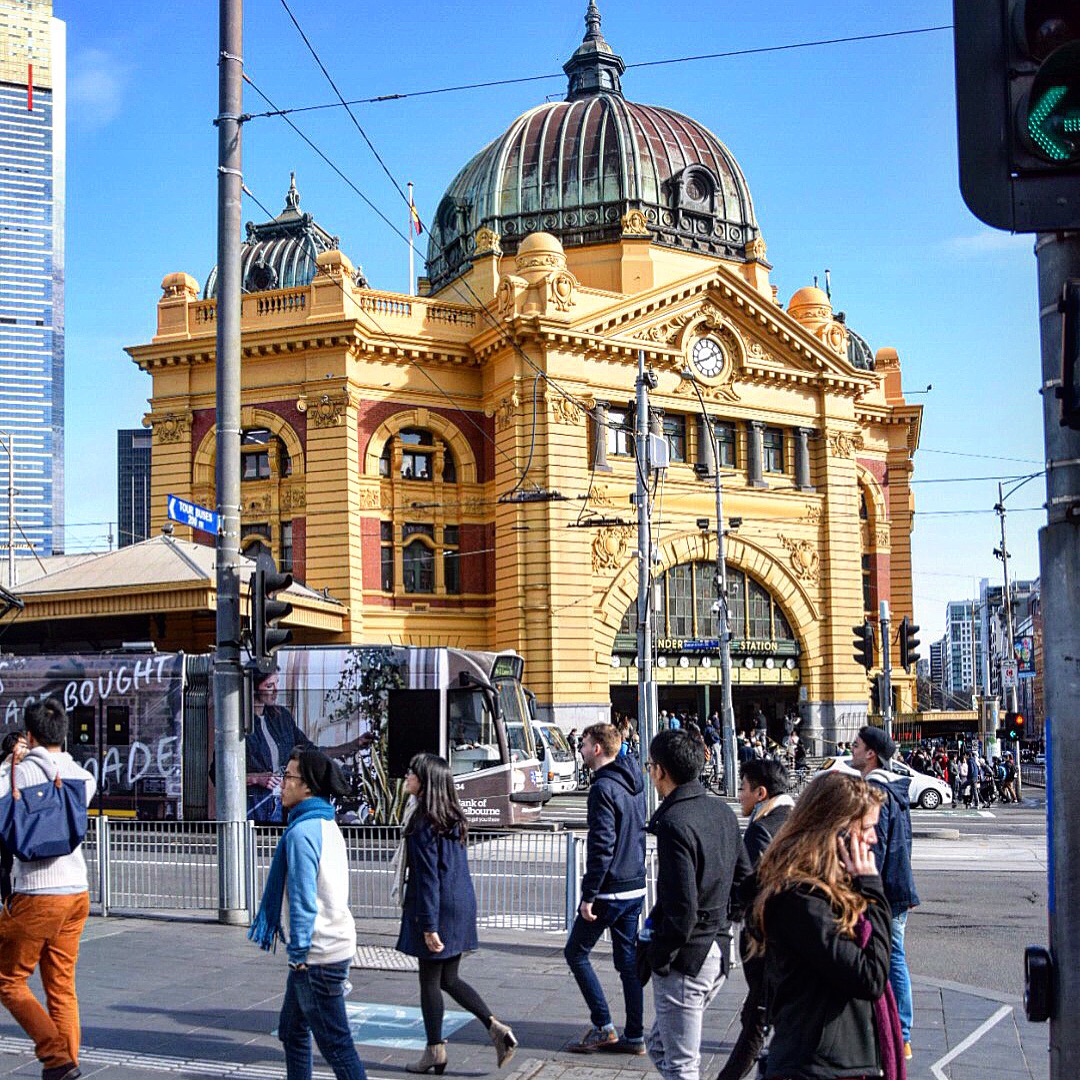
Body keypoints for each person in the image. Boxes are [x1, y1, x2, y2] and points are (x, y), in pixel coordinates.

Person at [751, 772, 901, 1080]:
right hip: (817, 1065)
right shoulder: (801, 899)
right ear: (838, 831)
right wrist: (873, 893)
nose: (873, 838)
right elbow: (870, 976)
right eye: (867, 828)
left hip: (841, 1061)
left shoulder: (835, 890)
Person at [639, 729, 750, 1080]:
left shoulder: (675, 823)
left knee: (682, 1066)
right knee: (660, 1046)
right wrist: (724, 921)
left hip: (688, 956)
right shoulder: (721, 810)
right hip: (718, 947)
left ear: (661, 771)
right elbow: (745, 879)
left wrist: (660, 954)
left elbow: (681, 906)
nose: (650, 773)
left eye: (650, 766)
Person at [396, 753, 517, 1074]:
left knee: (429, 981)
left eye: (412, 772)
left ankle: (434, 1050)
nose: (407, 776)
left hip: (437, 908)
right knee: (449, 979)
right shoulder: (452, 817)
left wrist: (428, 926)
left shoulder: (423, 822)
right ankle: (495, 1028)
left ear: (426, 782)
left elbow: (427, 878)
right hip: (459, 904)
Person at [249, 749, 366, 1080]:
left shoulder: (301, 833)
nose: (282, 784)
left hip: (317, 955)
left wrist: (299, 955)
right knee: (292, 1031)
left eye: (289, 777)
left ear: (308, 786)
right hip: (330, 945)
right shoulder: (325, 823)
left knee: (337, 1047)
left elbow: (303, 901)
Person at [0, 699, 96, 1080]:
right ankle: (65, 1068)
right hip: (77, 893)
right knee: (61, 986)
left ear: (30, 734)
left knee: (8, 980)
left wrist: (11, 761)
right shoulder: (82, 777)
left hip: (38, 893)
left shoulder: (19, 773)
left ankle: (55, 1056)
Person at [565, 723, 647, 1055]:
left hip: (609, 890)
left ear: (597, 748)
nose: (581, 749)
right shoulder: (633, 781)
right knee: (627, 962)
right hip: (634, 884)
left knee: (576, 952)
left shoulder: (602, 788)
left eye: (584, 744)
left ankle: (603, 1026)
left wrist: (588, 895)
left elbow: (602, 845)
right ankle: (636, 1036)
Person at [718, 759, 795, 1080]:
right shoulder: (793, 818)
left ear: (761, 793)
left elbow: (750, 886)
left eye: (743, 788)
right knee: (760, 1018)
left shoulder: (762, 829)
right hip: (787, 939)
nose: (739, 795)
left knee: (756, 1022)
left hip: (765, 941)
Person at [851, 726, 919, 1063]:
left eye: (857, 745)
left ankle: (899, 1033)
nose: (851, 749)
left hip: (883, 892)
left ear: (871, 754)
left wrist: (865, 890)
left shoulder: (875, 793)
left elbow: (872, 849)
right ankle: (898, 1031)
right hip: (896, 887)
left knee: (890, 957)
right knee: (893, 955)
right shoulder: (894, 790)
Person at [246, 669, 315, 823]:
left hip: (280, 804)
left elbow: (309, 749)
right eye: (269, 686)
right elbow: (218, 774)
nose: (276, 691)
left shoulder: (281, 717)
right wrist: (255, 778)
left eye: (277, 683)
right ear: (253, 688)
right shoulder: (237, 722)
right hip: (253, 806)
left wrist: (350, 746)